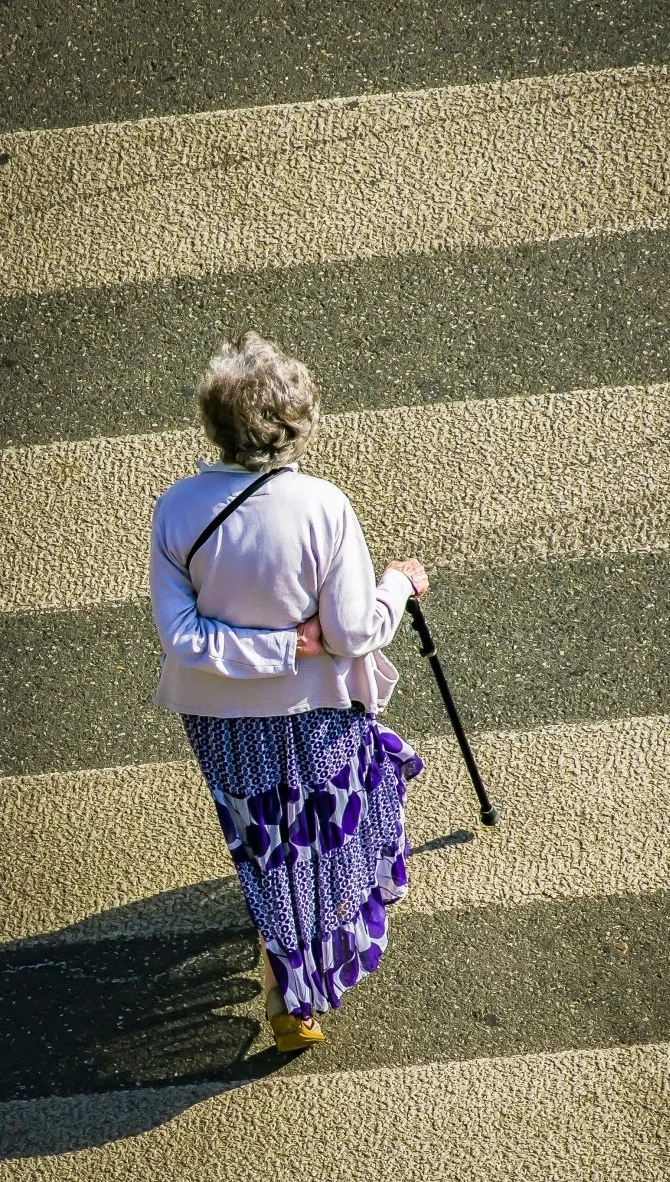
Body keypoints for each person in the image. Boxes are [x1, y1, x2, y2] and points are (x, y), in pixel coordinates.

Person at [149, 331, 428, 1053]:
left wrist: (268, 647)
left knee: (265, 838)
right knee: (323, 830)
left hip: (221, 715)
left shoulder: (178, 509)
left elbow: (181, 635)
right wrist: (399, 583)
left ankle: (283, 965)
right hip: (316, 711)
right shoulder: (322, 507)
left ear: (215, 424)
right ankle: (300, 973)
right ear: (297, 423)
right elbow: (353, 631)